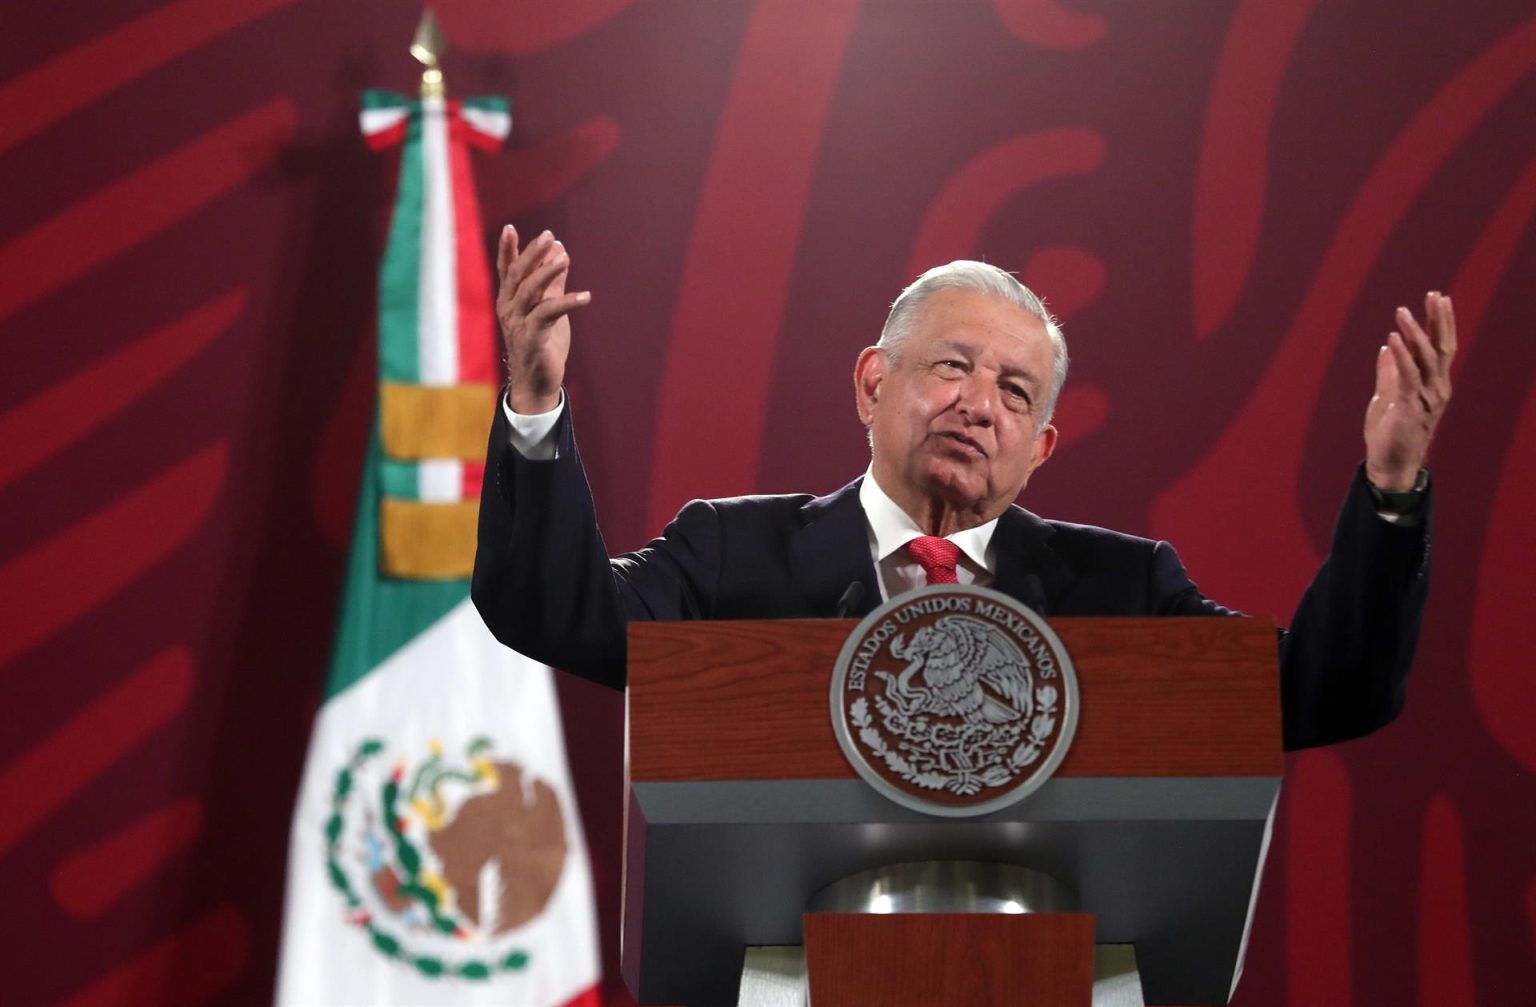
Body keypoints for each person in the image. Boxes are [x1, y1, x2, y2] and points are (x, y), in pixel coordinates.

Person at [473, 225, 1454, 750]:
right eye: (952, 365)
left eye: (1015, 390)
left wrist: (1392, 485)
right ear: (872, 382)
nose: (980, 402)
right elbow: (556, 612)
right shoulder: (732, 555)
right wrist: (535, 401)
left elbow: (1322, 692)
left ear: (1040, 447)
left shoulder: (1124, 588)